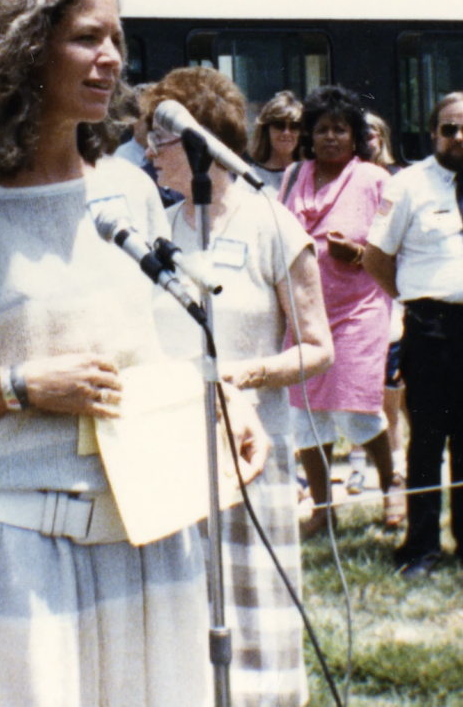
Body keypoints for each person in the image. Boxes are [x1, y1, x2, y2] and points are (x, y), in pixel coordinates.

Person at [0, 0, 269, 706]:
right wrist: (20, 386)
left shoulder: (130, 189)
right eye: (87, 37)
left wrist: (225, 397)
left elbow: (161, 351)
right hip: (18, 556)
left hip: (146, 539)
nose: (110, 58)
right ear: (23, 51)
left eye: (116, 39)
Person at [144, 67, 333, 707]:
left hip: (252, 455)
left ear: (200, 143)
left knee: (256, 623)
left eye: (159, 141)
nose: (149, 154)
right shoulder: (159, 228)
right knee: (180, 620)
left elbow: (317, 347)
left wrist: (241, 375)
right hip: (171, 457)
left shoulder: (271, 224)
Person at [363, 91, 463, 599]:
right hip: (430, 328)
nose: (459, 138)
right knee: (427, 439)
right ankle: (422, 547)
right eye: (449, 128)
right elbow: (375, 258)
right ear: (432, 133)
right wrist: (419, 301)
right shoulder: (407, 185)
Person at [279, 86, 401, 536]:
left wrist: (360, 253)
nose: (330, 137)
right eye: (322, 128)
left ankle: (392, 486)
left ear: (356, 136)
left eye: (340, 129)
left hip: (359, 310)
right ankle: (323, 508)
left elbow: (394, 244)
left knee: (357, 411)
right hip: (306, 313)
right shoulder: (293, 175)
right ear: (309, 133)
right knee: (306, 416)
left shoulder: (375, 180)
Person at [347, 112, 409, 494]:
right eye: (362, 131)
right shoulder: (345, 176)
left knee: (389, 389)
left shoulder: (398, 178)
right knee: (356, 387)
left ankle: (397, 467)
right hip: (353, 292)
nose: (368, 136)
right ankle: (357, 465)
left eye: (374, 130)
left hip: (387, 288)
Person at [248, 91, 303, 192]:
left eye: (294, 126)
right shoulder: (250, 178)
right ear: (266, 130)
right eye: (279, 125)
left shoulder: (310, 175)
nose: (286, 133)